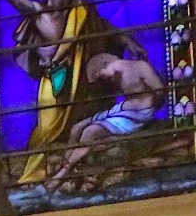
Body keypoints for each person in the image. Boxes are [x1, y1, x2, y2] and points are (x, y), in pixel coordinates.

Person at [0, 0, 114, 183]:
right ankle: (33, 172)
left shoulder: (82, 10)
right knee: (47, 127)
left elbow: (107, 31)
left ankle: (72, 165)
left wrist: (129, 42)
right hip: (54, 79)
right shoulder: (39, 12)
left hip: (80, 77)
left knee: (80, 120)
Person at [47, 46, 166, 191]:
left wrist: (144, 101)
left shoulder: (141, 67)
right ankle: (70, 161)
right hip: (120, 110)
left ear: (106, 64)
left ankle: (64, 172)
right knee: (77, 128)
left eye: (101, 75)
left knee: (90, 132)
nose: (105, 79)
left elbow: (160, 90)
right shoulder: (114, 79)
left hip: (136, 114)